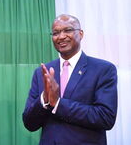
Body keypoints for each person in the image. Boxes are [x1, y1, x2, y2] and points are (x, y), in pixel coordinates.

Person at [22, 14, 117, 145]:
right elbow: (29, 123)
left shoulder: (103, 69)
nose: (61, 36)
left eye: (68, 30)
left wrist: (58, 104)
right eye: (56, 33)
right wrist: (45, 100)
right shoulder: (41, 73)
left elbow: (105, 118)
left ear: (81, 34)